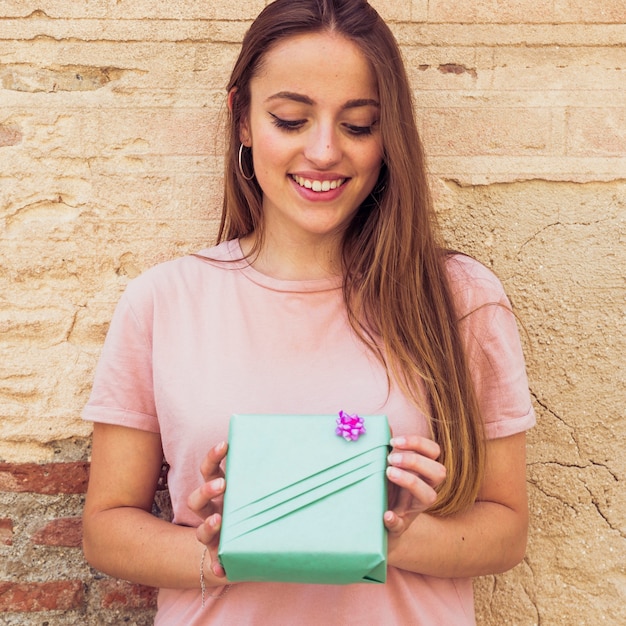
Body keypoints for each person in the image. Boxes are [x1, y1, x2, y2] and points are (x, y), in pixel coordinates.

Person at [82, 0, 536, 624]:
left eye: (358, 125)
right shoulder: (164, 300)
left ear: (390, 134)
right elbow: (106, 528)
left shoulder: (459, 298)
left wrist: (400, 534)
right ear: (243, 118)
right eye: (291, 119)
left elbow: (507, 531)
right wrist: (221, 551)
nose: (323, 151)